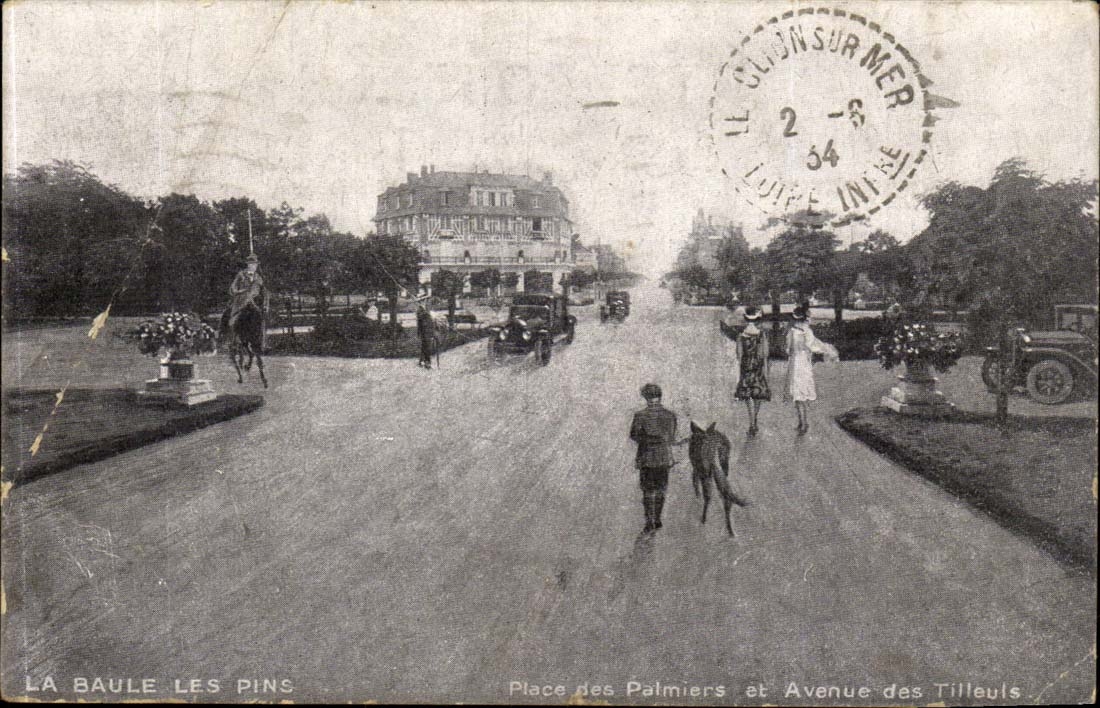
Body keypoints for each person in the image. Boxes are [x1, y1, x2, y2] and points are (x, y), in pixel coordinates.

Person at [629, 383, 678, 534]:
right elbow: (671, 436)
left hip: (646, 457)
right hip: (663, 457)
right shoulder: (670, 415)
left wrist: (647, 439)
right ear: (660, 396)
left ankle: (649, 520)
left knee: (648, 490)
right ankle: (657, 519)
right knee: (661, 488)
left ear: (645, 397)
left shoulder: (640, 415)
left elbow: (634, 435)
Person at [784, 305, 839, 433]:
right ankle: (803, 423)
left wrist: (796, 351)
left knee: (797, 393)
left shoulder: (791, 331)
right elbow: (812, 346)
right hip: (803, 363)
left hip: (794, 363)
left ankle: (802, 423)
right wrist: (824, 350)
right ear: (805, 318)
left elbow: (788, 349)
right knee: (801, 392)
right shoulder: (807, 332)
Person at [734, 306, 770, 436]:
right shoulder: (762, 335)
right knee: (758, 392)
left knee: (747, 394)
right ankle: (755, 419)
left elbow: (739, 355)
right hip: (758, 366)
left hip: (746, 367)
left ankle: (751, 422)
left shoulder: (741, 336)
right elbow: (764, 353)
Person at [227, 254, 265, 330]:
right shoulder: (241, 275)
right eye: (252, 264)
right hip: (241, 300)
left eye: (255, 264)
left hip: (255, 301)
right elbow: (233, 288)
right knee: (232, 316)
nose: (254, 266)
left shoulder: (258, 278)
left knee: (260, 317)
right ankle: (233, 333)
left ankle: (261, 337)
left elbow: (263, 290)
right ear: (248, 265)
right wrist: (239, 291)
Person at [416, 300, 434, 369]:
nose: (424, 302)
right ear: (420, 302)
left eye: (424, 300)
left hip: (428, 331)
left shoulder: (426, 309)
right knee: (427, 347)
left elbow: (430, 320)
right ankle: (427, 363)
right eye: (422, 301)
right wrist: (426, 313)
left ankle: (421, 361)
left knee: (425, 347)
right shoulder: (419, 310)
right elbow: (420, 319)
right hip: (423, 331)